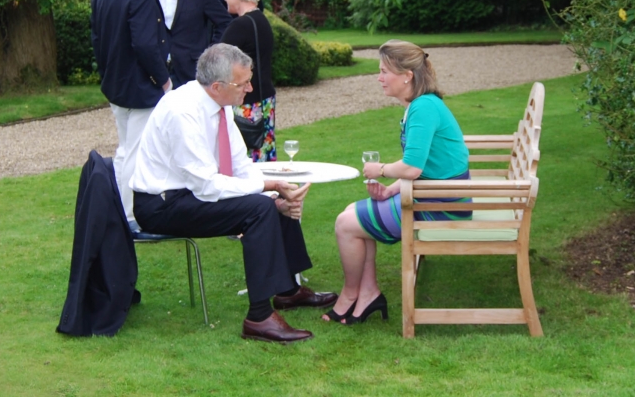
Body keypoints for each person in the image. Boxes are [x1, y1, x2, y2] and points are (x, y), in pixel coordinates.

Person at [131, 43, 337, 343]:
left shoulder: (219, 105)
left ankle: (288, 291)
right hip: (161, 206)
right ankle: (259, 318)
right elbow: (207, 185)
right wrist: (269, 189)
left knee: (268, 202)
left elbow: (241, 167)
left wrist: (277, 196)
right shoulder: (182, 112)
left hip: (188, 195)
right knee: (259, 207)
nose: (250, 88)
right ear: (217, 86)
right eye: (243, 83)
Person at [324, 40, 473, 325]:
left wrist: (379, 169)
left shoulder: (423, 108)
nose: (379, 78)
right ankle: (367, 294)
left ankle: (351, 294)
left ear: (407, 75)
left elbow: (413, 167)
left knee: (345, 225)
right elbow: (426, 166)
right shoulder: (421, 105)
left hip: (441, 206)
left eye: (384, 71)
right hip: (436, 195)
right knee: (349, 214)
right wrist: (391, 190)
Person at [90, 0, 172, 231]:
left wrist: (108, 75)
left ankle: (124, 210)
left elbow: (97, 41)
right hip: (140, 85)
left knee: (126, 149)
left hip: (115, 84)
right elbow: (145, 44)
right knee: (137, 150)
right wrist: (163, 81)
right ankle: (132, 216)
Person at [220, 0, 276, 162]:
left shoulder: (240, 26)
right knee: (263, 155)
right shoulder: (262, 20)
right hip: (264, 100)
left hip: (245, 102)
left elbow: (219, 65)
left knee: (243, 160)